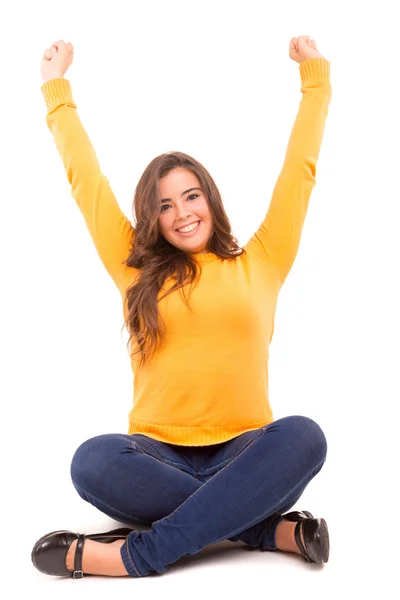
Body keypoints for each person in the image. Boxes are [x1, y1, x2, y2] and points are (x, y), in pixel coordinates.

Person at [31, 35, 332, 579]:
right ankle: (262, 529)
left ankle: (136, 555)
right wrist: (58, 91)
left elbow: (299, 175)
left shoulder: (261, 261)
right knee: (91, 461)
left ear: (210, 200)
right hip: (154, 457)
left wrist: (315, 81)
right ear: (153, 218)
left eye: (191, 196)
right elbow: (87, 183)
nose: (182, 213)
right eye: (165, 205)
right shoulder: (135, 270)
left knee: (306, 436)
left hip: (247, 450)